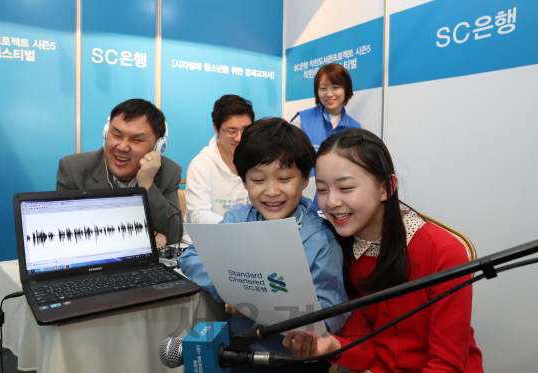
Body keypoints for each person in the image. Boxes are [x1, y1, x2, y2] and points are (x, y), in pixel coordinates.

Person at [283, 128, 483, 373]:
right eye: (322, 189)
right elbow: (365, 351)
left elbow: (447, 363)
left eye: (345, 188)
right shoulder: (336, 248)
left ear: (386, 187)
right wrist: (331, 346)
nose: (331, 202)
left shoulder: (442, 252)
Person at [179, 118, 349, 373]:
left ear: (304, 180)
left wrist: (273, 307)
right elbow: (191, 255)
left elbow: (334, 312)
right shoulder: (236, 220)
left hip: (295, 360)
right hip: (242, 355)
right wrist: (227, 289)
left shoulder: (319, 239)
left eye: (284, 179)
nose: (271, 191)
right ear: (245, 182)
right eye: (258, 180)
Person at [56, 98, 183, 246]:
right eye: (116, 135)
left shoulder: (169, 172)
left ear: (157, 147)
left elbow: (174, 234)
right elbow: (64, 234)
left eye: (136, 140)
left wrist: (147, 186)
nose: (122, 147)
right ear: (106, 134)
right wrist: (140, 236)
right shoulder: (73, 168)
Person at [185, 94, 254, 224]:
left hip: (247, 238)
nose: (239, 138)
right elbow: (199, 216)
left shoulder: (258, 161)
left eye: (246, 130)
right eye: (231, 131)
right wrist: (241, 227)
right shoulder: (201, 165)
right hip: (208, 239)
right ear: (216, 128)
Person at [291, 63, 361, 158]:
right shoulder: (302, 119)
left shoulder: (355, 127)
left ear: (346, 89)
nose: (329, 94)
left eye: (335, 87)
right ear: (317, 91)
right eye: (323, 88)